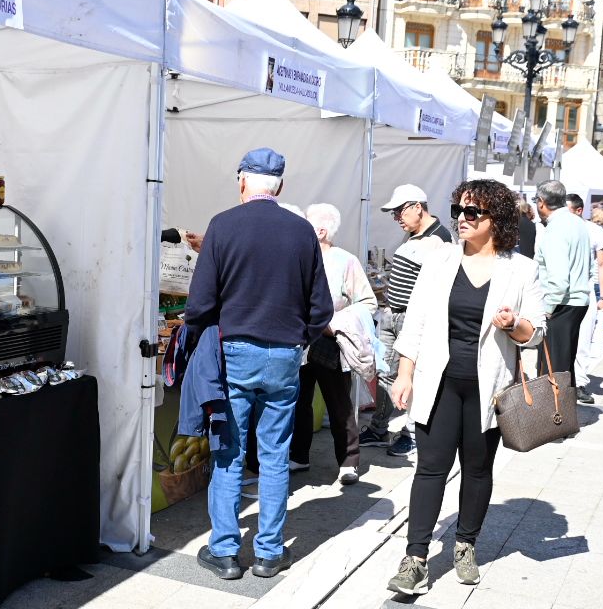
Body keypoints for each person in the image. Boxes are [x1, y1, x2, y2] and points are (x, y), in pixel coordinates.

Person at [385, 178, 546, 594]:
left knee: (477, 470)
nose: (461, 218)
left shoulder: (521, 268)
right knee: (430, 469)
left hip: (489, 387)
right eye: (458, 209)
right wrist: (404, 374)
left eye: (471, 212)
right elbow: (416, 322)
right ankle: (415, 558)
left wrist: (515, 325)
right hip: (438, 383)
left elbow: (538, 332)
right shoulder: (439, 261)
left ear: (496, 220)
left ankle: (466, 544)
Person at [186, 148, 332, 581]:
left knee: (229, 455)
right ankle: (269, 553)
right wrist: (298, 340)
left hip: (235, 351)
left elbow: (200, 303)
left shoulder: (223, 225)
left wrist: (199, 337)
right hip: (285, 354)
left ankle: (226, 552)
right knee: (274, 456)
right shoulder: (302, 231)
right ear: (280, 186)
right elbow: (320, 307)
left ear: (242, 181)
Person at [290, 203, 375, 486]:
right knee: (298, 402)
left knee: (338, 404)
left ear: (321, 231)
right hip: (300, 341)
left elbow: (367, 302)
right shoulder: (298, 256)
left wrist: (334, 322)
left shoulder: (346, 260)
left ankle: (349, 461)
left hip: (331, 342)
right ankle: (299, 455)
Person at [360, 184, 448, 456]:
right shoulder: (414, 235)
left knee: (414, 377)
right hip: (394, 315)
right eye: (394, 213)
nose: (397, 218)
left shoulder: (439, 240)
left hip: (413, 319)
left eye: (399, 211)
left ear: (416, 207)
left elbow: (439, 287)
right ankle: (379, 427)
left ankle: (411, 432)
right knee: (385, 372)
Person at [533, 180, 593, 394]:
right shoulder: (577, 223)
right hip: (575, 301)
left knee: (553, 368)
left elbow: (558, 280)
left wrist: (547, 309)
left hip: (562, 303)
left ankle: (553, 419)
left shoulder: (556, 228)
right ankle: (561, 415)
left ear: (541, 202)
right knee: (563, 366)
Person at [575, 206, 603, 399]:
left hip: (585, 288)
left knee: (583, 338)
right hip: (566, 289)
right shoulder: (550, 229)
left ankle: (579, 381)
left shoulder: (595, 232)